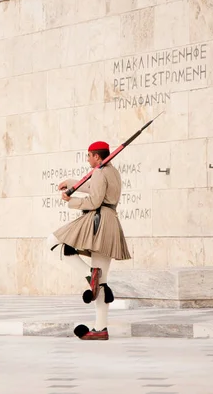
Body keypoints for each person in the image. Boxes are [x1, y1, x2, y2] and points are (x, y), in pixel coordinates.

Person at [47, 141, 131, 340]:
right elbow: (95, 187)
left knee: (52, 242)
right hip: (111, 221)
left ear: (97, 157)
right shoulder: (112, 172)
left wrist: (72, 201)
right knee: (102, 283)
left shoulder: (100, 172)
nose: (87, 159)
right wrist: (71, 182)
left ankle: (88, 274)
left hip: (98, 220)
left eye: (89, 155)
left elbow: (94, 200)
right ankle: (100, 328)